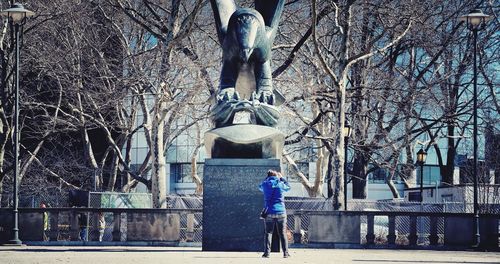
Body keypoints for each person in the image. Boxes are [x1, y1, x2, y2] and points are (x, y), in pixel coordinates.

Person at [259, 169, 291, 258]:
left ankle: (267, 253)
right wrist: (282, 178)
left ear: (268, 176)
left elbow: (260, 187)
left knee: (268, 233)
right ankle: (285, 253)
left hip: (269, 212)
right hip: (281, 212)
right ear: (276, 176)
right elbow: (288, 187)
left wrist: (267, 178)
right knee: (282, 233)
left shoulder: (265, 184)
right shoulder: (280, 184)